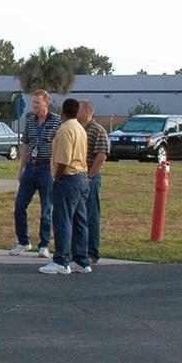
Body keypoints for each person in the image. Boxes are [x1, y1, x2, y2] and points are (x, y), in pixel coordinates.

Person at [40, 98, 92, 274]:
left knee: (63, 220)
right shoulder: (80, 129)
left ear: (63, 111)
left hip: (68, 178)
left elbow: (63, 159)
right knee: (80, 220)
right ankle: (82, 259)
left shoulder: (64, 130)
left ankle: (61, 260)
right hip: (82, 177)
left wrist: (57, 177)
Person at [9, 88, 62, 257]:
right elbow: (26, 145)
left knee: (46, 207)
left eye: (38, 102)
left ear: (46, 103)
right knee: (19, 205)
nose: (35, 105)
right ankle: (23, 241)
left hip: (46, 167)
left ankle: (44, 244)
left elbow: (60, 145)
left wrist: (56, 168)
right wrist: (22, 168)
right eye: (33, 102)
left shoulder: (56, 121)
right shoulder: (30, 121)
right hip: (31, 166)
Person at [78, 100, 110, 266]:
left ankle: (92, 252)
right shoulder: (77, 129)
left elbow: (101, 155)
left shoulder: (98, 130)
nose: (76, 112)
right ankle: (78, 250)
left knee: (91, 215)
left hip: (90, 178)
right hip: (76, 177)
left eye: (79, 109)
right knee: (78, 215)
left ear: (87, 111)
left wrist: (90, 176)